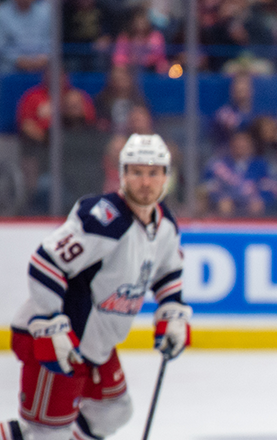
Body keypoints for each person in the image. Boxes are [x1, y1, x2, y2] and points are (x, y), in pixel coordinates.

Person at [0, 134, 193, 440]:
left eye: (153, 173)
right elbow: (45, 263)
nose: (145, 182)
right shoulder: (103, 218)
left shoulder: (165, 224)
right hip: (58, 340)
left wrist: (171, 311)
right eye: (136, 172)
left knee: (113, 411)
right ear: (122, 174)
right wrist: (51, 324)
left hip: (95, 349)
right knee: (44, 435)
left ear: (167, 177)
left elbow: (168, 271)